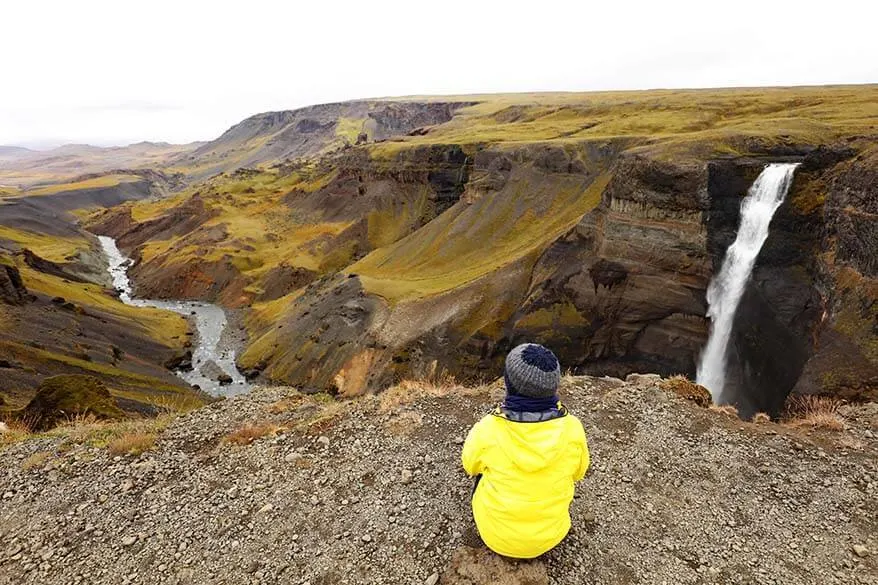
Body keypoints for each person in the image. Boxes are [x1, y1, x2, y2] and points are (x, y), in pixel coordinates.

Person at [461, 343, 590, 558]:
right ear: (553, 387)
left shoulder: (488, 429)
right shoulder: (573, 429)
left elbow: (469, 466)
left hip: (495, 538)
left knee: (482, 472)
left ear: (509, 384)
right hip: (551, 537)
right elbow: (579, 474)